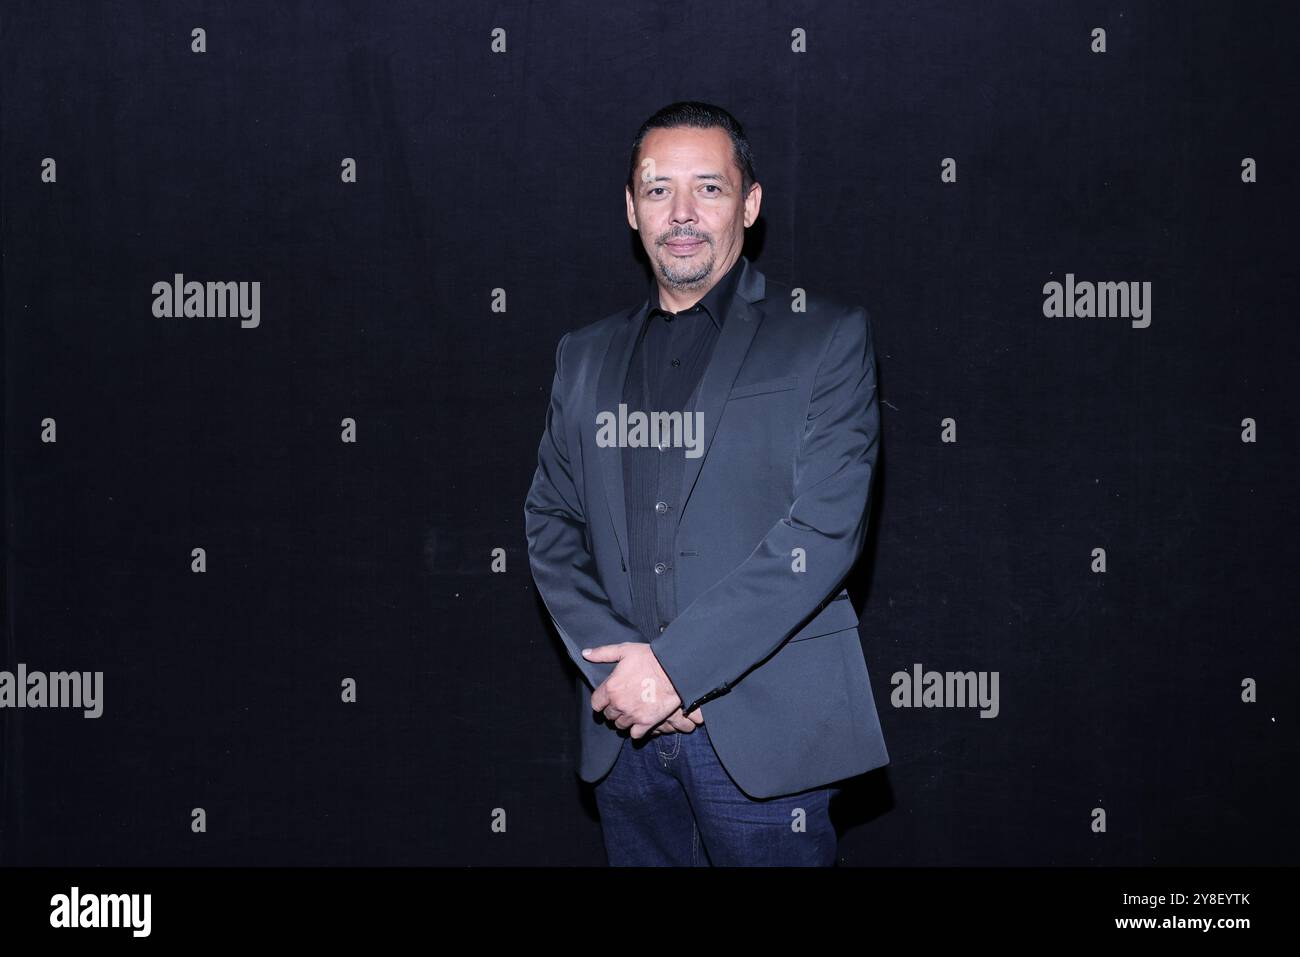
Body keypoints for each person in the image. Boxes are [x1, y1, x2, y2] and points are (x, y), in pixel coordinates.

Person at [525, 101, 888, 866]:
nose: (682, 213)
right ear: (631, 209)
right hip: (623, 741)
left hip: (766, 742)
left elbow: (822, 531)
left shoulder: (825, 335)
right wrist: (621, 675)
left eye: (709, 188)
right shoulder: (582, 356)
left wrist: (673, 671)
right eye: (658, 190)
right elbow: (552, 521)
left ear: (750, 204)